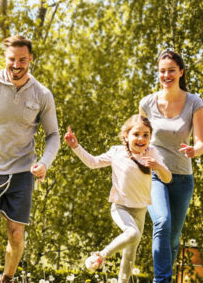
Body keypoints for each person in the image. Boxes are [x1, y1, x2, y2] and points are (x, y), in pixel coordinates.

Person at [0, 35, 60, 282]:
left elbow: (53, 135)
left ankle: (6, 279)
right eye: (12, 59)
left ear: (30, 59)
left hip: (21, 173)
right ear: (4, 59)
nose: (16, 65)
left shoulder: (42, 94)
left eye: (22, 60)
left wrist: (45, 163)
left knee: (16, 234)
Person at [63, 115, 171, 283]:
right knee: (132, 233)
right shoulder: (117, 152)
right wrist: (76, 146)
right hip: (120, 207)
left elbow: (167, 178)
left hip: (141, 210)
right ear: (126, 136)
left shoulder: (152, 153)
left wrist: (157, 166)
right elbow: (93, 162)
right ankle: (101, 255)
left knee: (129, 255)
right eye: (136, 134)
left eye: (146, 135)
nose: (141, 138)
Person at [138, 49, 203, 282]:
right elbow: (138, 137)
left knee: (173, 238)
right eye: (162, 71)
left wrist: (193, 150)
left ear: (181, 72)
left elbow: (200, 143)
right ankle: (162, 280)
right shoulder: (147, 103)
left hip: (182, 178)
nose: (166, 75)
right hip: (155, 174)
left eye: (171, 71)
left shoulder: (194, 102)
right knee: (162, 222)